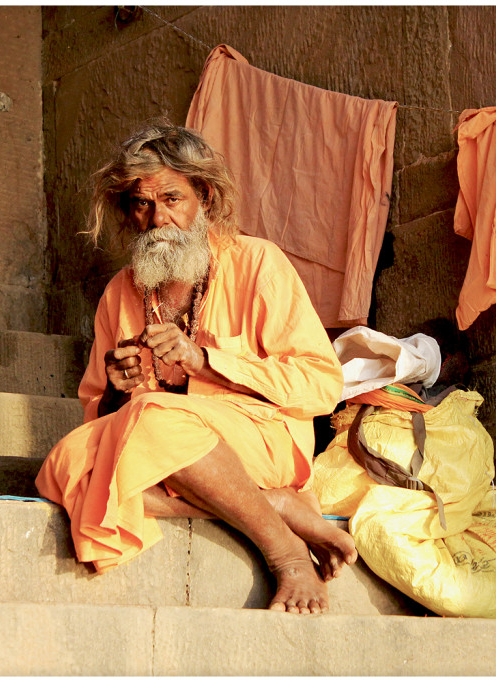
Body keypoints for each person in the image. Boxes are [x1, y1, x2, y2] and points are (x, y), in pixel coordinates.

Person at [35, 122, 357, 614]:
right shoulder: (121, 292)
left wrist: (205, 362)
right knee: (64, 465)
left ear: (203, 196)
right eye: (142, 204)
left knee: (154, 419)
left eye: (172, 199)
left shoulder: (257, 262)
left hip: (260, 438)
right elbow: (99, 419)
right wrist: (117, 392)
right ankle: (269, 504)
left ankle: (287, 555)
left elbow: (322, 384)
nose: (158, 218)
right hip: (164, 444)